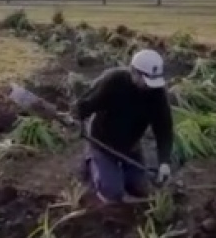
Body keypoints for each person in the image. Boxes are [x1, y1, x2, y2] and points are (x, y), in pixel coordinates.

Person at [72, 48, 174, 204]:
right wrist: (76, 118)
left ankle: (120, 171)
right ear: (134, 72)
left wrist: (164, 162)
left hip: (130, 146)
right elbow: (85, 106)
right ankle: (90, 161)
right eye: (145, 81)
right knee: (112, 193)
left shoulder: (157, 93)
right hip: (103, 144)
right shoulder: (113, 81)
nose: (150, 87)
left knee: (141, 189)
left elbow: (164, 129)